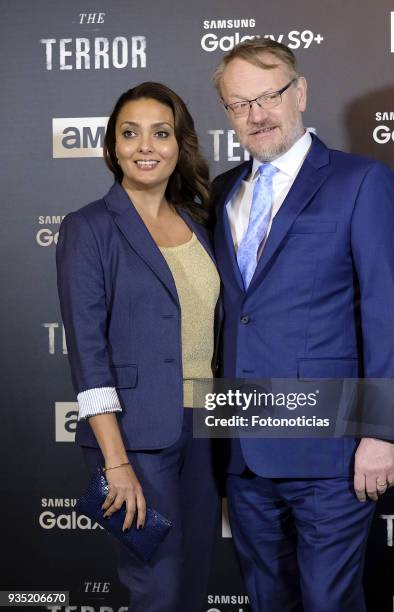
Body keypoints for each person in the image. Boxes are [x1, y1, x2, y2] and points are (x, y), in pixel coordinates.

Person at [211, 39, 394, 612]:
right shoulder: (222, 193)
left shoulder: (360, 182)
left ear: (299, 92)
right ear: (227, 113)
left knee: (330, 602)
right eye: (239, 103)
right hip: (244, 453)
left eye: (270, 95)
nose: (257, 115)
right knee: (265, 600)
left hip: (333, 453)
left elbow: (391, 317)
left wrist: (380, 434)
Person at [56, 81, 220, 612]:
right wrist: (116, 464)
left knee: (193, 583)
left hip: (205, 431)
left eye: (160, 133)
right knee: (158, 588)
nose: (145, 146)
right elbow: (87, 353)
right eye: (130, 134)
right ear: (113, 146)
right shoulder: (89, 227)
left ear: (180, 144)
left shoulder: (200, 222)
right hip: (133, 441)